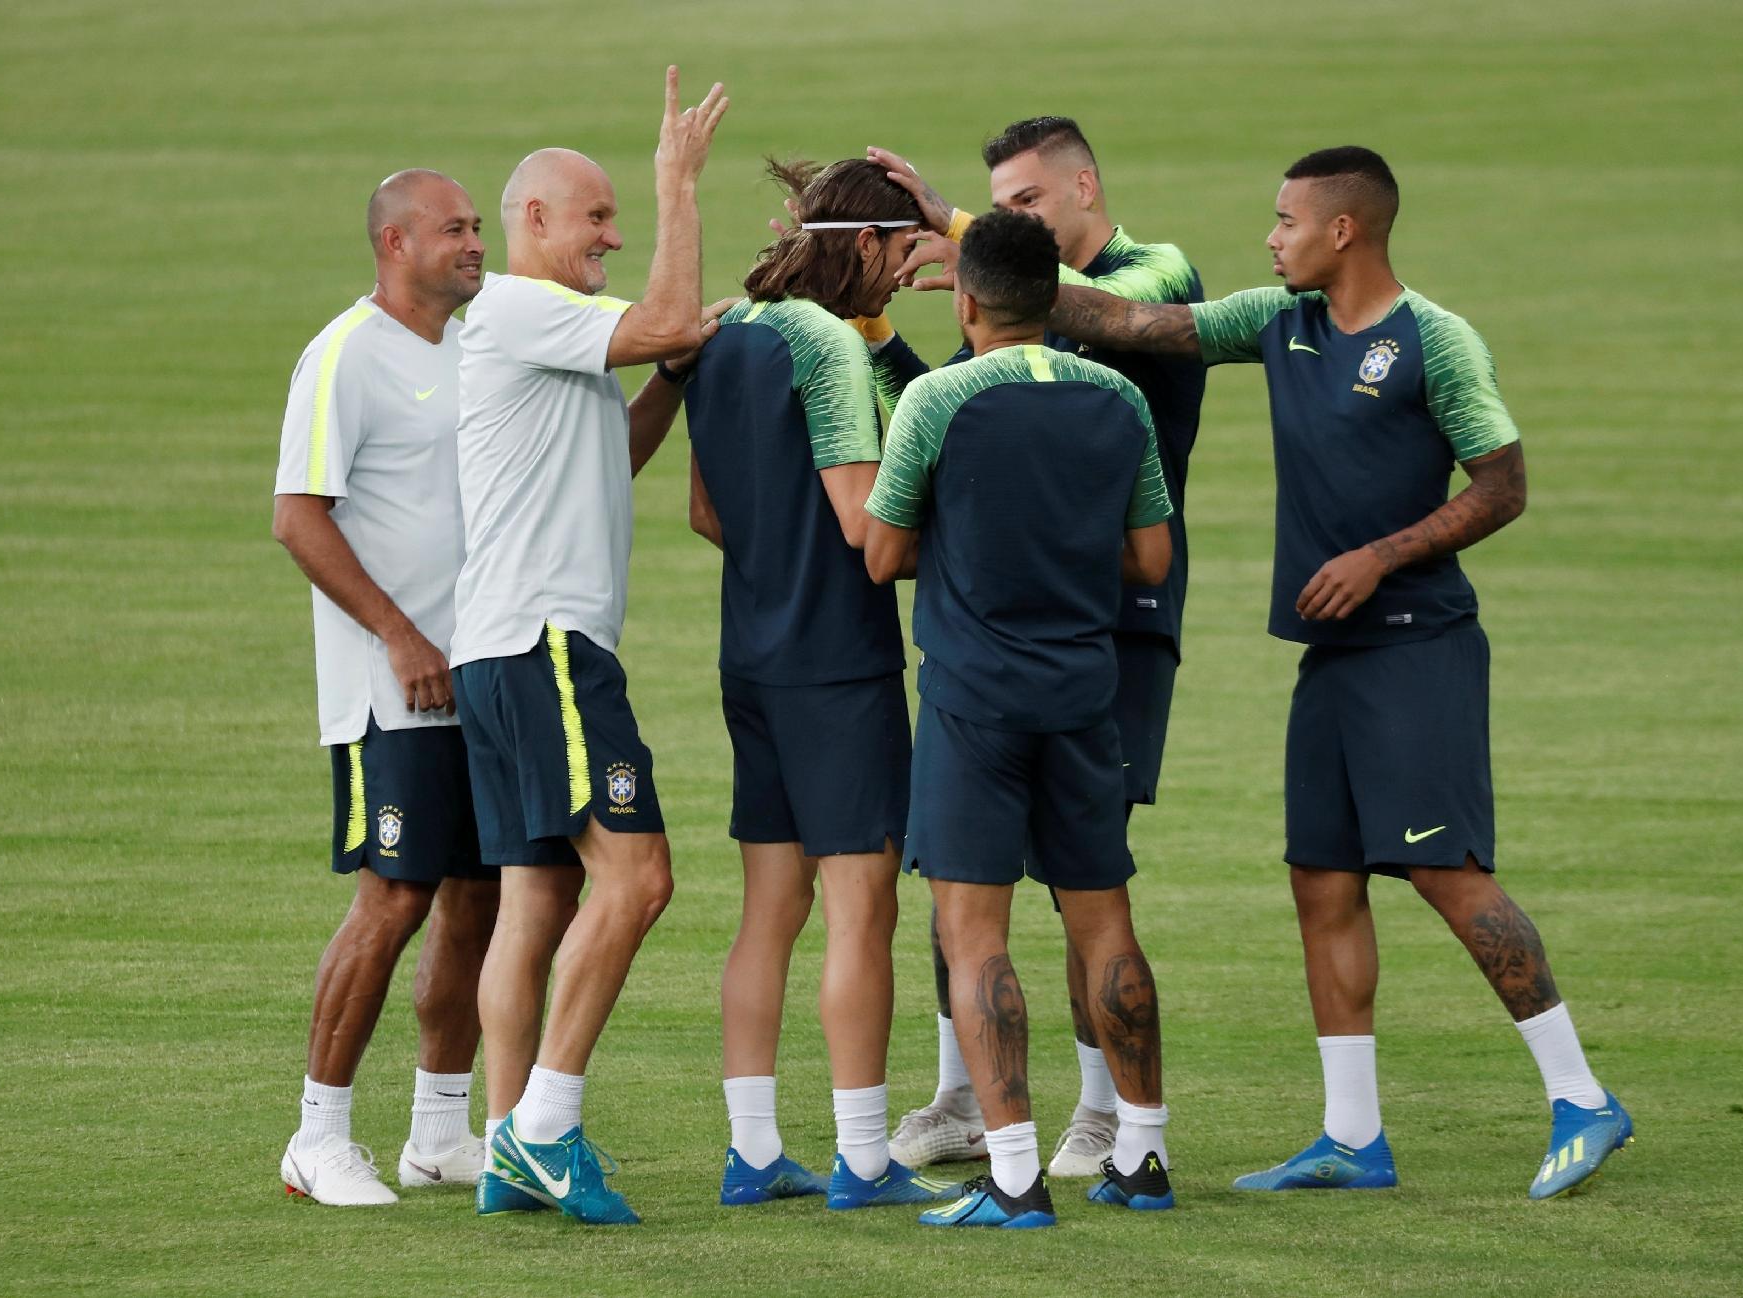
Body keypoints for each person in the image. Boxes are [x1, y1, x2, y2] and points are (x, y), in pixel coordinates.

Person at [1048, 146, 1632, 1200]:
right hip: (1332, 659)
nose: (1269, 238)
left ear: (1343, 230)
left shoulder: (1434, 341)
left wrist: (1381, 555)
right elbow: (1129, 326)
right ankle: (1352, 1135)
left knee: (1446, 871)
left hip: (1419, 643)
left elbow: (1503, 484)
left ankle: (1582, 1094)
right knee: (1321, 878)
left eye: (1283, 222)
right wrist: (970, 246)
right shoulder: (1279, 322)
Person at [864, 118, 1208, 1180]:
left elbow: (883, 553)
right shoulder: (1114, 402)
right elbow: (1148, 556)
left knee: (973, 924)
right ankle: (1138, 1150)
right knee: (1101, 910)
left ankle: (1013, 1164)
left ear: (966, 300)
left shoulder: (945, 392)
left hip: (980, 690)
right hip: (1085, 678)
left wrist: (976, 543)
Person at [449, 68, 729, 1226]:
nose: (613, 234)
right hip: (549, 646)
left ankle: (508, 1141)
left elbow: (605, 459)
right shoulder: (522, 307)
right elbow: (669, 315)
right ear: (536, 223)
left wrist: (667, 380)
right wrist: (677, 186)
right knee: (642, 874)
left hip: (501, 650)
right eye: (598, 216)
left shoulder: (541, 338)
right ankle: (544, 1128)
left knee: (538, 896)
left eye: (623, 212)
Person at [680, 156, 960, 1213]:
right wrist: (988, 559)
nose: (906, 272)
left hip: (748, 655)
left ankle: (754, 1152)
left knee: (769, 908)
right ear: (866, 244)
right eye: (901, 252)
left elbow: (708, 515)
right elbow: (863, 525)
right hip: (837, 665)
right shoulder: (828, 345)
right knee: (861, 909)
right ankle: (862, 1155)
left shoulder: (729, 336)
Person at [271, 169, 500, 1206]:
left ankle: (441, 1131)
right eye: (453, 228)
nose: (472, 241)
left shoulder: (472, 342)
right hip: (389, 686)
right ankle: (317, 1135)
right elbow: (299, 518)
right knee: (396, 894)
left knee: (479, 895)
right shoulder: (343, 357)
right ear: (394, 242)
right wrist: (400, 634)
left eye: (477, 226)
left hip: (480, 674)